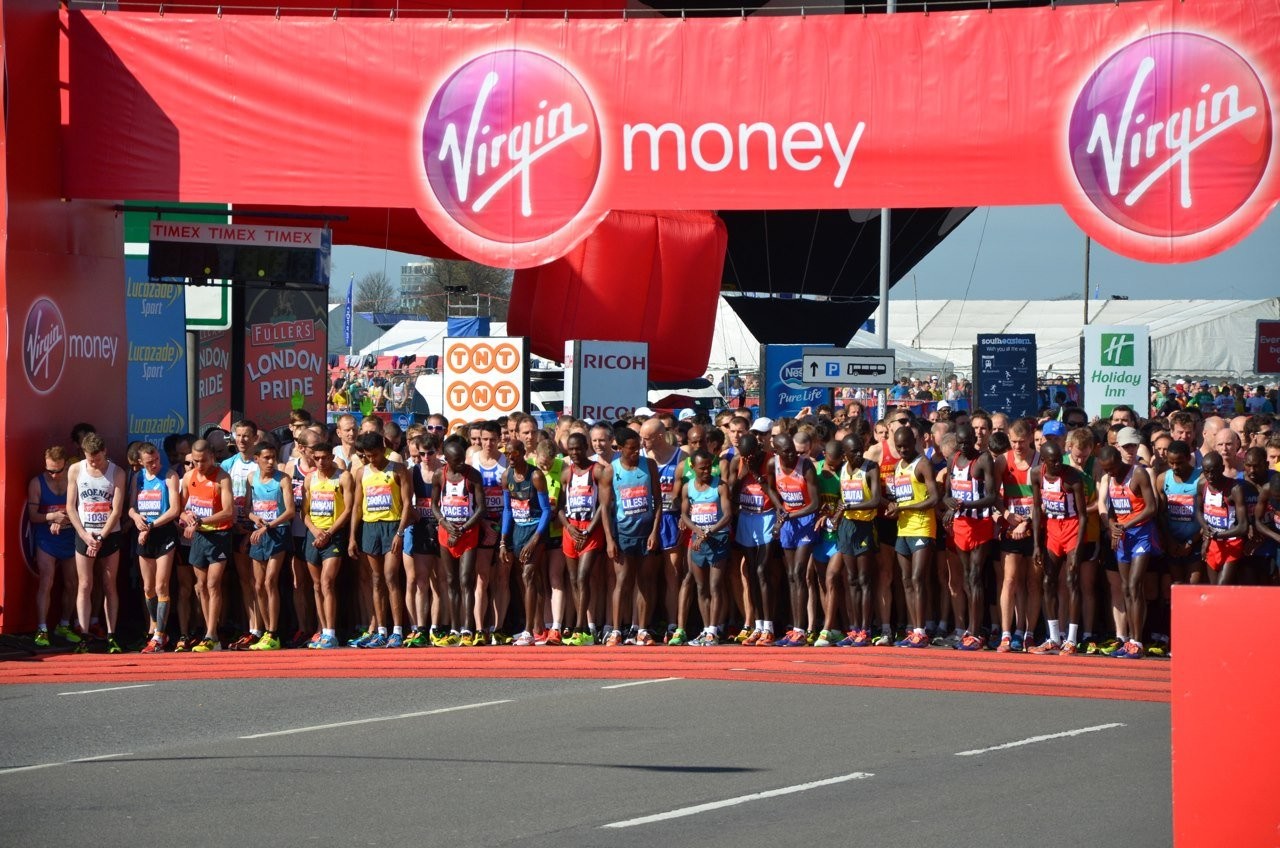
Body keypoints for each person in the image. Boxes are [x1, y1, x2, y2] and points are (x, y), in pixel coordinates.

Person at [349, 431, 414, 647]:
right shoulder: (361, 472)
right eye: (367, 456)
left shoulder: (398, 470)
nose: (371, 459)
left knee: (390, 577)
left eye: (375, 455)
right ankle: (381, 631)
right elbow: (357, 507)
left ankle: (397, 631)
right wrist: (352, 537)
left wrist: (400, 532)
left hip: (392, 525)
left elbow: (407, 504)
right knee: (376, 580)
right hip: (370, 527)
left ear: (383, 450)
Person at [65, 434, 128, 653]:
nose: (94, 463)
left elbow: (117, 510)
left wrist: (101, 537)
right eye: (90, 459)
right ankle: (83, 635)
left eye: (98, 459)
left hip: (109, 535)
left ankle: (111, 635)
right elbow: (71, 507)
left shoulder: (117, 472)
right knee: (84, 584)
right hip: (85, 534)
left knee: (109, 584)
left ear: (105, 452)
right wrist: (84, 536)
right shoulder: (75, 470)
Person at [598, 427, 661, 646]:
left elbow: (658, 501)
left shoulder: (649, 465)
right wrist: (609, 540)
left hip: (646, 532)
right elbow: (605, 509)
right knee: (622, 581)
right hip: (623, 533)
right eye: (631, 449)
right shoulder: (610, 471)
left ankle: (642, 630)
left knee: (644, 581)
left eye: (638, 448)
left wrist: (654, 531)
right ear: (620, 448)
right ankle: (616, 630)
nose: (636, 452)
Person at [1098, 445, 1160, 659]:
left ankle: (1137, 641)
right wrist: (1112, 525)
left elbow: (1152, 507)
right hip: (1122, 537)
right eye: (1106, 470)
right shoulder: (1110, 478)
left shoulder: (1138, 473)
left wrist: (1126, 525)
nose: (1110, 473)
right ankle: (1129, 641)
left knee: (1135, 585)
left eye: (1112, 468)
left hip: (1141, 534)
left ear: (1119, 460)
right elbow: (1113, 508)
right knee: (1125, 588)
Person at [941, 423, 999, 651]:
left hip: (980, 523)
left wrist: (965, 505)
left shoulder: (983, 460)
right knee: (966, 576)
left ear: (974, 440)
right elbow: (947, 495)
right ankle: (971, 627)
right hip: (961, 525)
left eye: (967, 442)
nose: (964, 447)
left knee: (975, 576)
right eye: (960, 443)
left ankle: (976, 632)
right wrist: (949, 504)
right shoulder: (953, 459)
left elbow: (992, 497)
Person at [884, 422, 939, 648]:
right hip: (903, 528)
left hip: (922, 526)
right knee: (906, 580)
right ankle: (913, 628)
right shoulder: (898, 466)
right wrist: (892, 507)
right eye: (899, 447)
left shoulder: (923, 463)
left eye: (906, 445)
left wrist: (905, 507)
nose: (902, 450)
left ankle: (921, 630)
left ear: (914, 442)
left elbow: (934, 498)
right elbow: (899, 498)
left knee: (918, 579)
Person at [1028, 442, 1087, 654]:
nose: (1057, 464)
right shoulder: (1036, 474)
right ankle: (1053, 637)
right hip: (1053, 529)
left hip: (1072, 527)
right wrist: (1037, 545)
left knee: (1072, 580)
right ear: (1043, 460)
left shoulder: (1072, 477)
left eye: (1059, 459)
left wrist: (1077, 548)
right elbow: (1037, 509)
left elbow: (1083, 515)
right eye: (1052, 461)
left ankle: (1071, 639)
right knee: (1047, 581)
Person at [179, 440, 236, 653]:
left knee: (213, 584)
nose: (199, 465)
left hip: (219, 534)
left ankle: (212, 634)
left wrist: (201, 521)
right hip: (200, 537)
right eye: (195, 461)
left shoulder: (222, 477)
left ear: (212, 457)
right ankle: (209, 633)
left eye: (203, 461)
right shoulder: (189, 477)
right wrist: (187, 517)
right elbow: (180, 509)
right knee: (201, 585)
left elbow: (229, 511)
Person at [432, 436, 488, 646]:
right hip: (446, 533)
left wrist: (462, 529)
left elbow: (481, 508)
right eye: (456, 461)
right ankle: (454, 628)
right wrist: (445, 524)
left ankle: (467, 628)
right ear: (447, 460)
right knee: (450, 580)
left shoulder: (472, 476)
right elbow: (434, 505)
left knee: (465, 580)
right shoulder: (439, 475)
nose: (461, 463)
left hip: (468, 532)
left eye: (463, 459)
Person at [829, 428, 881, 648]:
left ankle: (865, 629)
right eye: (854, 452)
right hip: (847, 526)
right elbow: (840, 499)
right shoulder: (842, 469)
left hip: (865, 526)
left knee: (864, 579)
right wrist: (836, 513)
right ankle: (854, 627)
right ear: (845, 454)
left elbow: (876, 499)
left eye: (861, 450)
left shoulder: (871, 468)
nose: (859, 455)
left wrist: (850, 506)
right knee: (850, 579)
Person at [129, 443, 182, 653]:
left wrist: (151, 526)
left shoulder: (169, 476)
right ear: (140, 462)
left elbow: (175, 509)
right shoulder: (138, 477)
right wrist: (136, 518)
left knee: (161, 586)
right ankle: (156, 627)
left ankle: (159, 634)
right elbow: (131, 507)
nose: (154, 465)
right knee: (148, 587)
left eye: (157, 460)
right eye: (149, 462)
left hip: (163, 533)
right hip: (144, 534)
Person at [769, 433, 821, 647]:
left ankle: (801, 630)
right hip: (788, 522)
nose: (792, 455)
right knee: (791, 575)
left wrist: (790, 515)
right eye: (786, 452)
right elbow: (769, 488)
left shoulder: (805, 466)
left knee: (799, 572)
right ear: (777, 452)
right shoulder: (773, 465)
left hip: (805, 519)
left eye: (793, 450)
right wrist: (779, 507)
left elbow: (815, 503)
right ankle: (794, 628)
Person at [302, 440, 354, 649]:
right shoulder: (310, 478)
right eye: (317, 458)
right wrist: (315, 531)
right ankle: (322, 631)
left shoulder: (343, 477)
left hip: (334, 535)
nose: (321, 462)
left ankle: (331, 633)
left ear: (332, 457)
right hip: (314, 535)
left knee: (327, 582)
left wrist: (329, 533)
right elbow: (304, 512)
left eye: (325, 458)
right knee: (316, 585)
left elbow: (348, 509)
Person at [641, 418, 688, 646]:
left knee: (672, 574)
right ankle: (644, 625)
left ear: (659, 436)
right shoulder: (643, 458)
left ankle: (673, 624)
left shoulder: (682, 457)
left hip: (671, 518)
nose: (642, 442)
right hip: (648, 520)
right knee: (647, 576)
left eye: (646, 438)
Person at [27, 447, 80, 646]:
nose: (54, 475)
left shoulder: (73, 480)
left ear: (66, 466)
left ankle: (64, 624)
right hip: (46, 539)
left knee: (72, 583)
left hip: (70, 537)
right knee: (46, 581)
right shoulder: (37, 483)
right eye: (50, 471)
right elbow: (33, 516)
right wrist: (52, 516)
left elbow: (81, 510)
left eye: (58, 471)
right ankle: (42, 629)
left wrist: (63, 519)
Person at [502, 439, 552, 647]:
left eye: (514, 453)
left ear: (523, 453)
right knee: (529, 580)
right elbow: (507, 510)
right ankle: (538, 628)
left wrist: (535, 539)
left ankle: (528, 631)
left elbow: (547, 510)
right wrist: (503, 541)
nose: (510, 457)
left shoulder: (536, 476)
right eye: (507, 454)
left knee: (528, 575)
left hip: (536, 530)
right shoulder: (506, 476)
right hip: (518, 530)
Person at [245, 442, 295, 650]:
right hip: (259, 533)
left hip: (278, 532)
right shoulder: (251, 478)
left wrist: (268, 526)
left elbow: (290, 511)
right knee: (257, 585)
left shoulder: (283, 479)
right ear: (256, 459)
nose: (271, 461)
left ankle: (274, 633)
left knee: (270, 581)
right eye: (266, 457)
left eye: (273, 457)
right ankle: (266, 631)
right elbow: (248, 508)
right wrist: (255, 518)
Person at [729, 433, 777, 645]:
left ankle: (769, 627)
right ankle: (758, 625)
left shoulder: (770, 460)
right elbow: (731, 493)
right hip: (746, 516)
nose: (748, 459)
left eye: (751, 455)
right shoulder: (736, 462)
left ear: (758, 450)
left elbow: (775, 492)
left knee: (762, 570)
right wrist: (742, 475)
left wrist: (757, 473)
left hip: (767, 515)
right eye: (744, 456)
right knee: (751, 572)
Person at [680, 450, 732, 645]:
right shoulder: (687, 488)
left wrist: (708, 532)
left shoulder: (720, 486)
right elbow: (684, 515)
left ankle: (713, 630)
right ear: (693, 467)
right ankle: (706, 629)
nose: (706, 471)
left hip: (718, 538)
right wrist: (697, 531)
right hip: (698, 540)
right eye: (702, 468)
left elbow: (727, 515)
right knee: (701, 587)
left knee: (715, 585)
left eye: (709, 467)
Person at [221, 420, 264, 650]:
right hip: (235, 528)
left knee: (260, 582)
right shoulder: (228, 464)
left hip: (258, 528)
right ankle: (252, 627)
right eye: (238, 435)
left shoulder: (262, 462)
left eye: (246, 436)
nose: (241, 440)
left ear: (255, 438)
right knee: (245, 581)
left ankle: (263, 628)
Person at [560, 432, 606, 646]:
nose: (575, 453)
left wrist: (588, 531)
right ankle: (583, 626)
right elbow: (560, 508)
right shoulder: (566, 473)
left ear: (586, 447)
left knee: (582, 577)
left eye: (578, 448)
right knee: (572, 579)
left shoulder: (597, 470)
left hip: (590, 530)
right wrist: (569, 527)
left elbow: (604, 505)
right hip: (571, 529)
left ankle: (581, 628)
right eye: (571, 449)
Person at [471, 421, 510, 645]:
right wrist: (482, 522)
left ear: (499, 439)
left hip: (503, 524)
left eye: (492, 440)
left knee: (502, 579)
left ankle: (499, 628)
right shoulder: (473, 459)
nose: (488, 443)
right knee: (482, 578)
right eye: (484, 439)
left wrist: (503, 528)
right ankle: (479, 629)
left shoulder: (506, 461)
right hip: (482, 524)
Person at [1195, 451, 1247, 585]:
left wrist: (1217, 535)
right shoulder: (1202, 485)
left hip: (1232, 543)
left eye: (1213, 472)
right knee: (1214, 589)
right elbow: (1198, 511)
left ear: (1222, 468)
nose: (1210, 476)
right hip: (1213, 544)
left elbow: (1243, 527)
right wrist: (1205, 529)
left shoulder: (1234, 489)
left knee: (1221, 587)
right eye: (1206, 472)